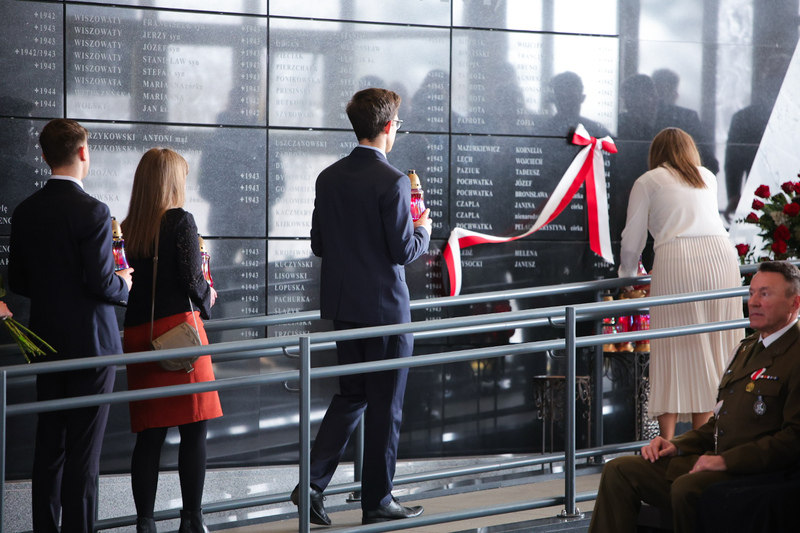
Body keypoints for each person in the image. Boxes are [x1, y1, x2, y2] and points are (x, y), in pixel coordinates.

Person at [292, 88, 432, 526]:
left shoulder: (328, 177)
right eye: (398, 124)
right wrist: (424, 229)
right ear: (388, 127)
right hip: (386, 312)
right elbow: (403, 251)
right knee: (386, 405)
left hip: (344, 308)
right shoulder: (393, 181)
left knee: (352, 395)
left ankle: (311, 485)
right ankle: (377, 500)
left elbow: (319, 245)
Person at [589, 260, 800, 533]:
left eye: (765, 294)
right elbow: (721, 422)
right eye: (751, 293)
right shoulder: (747, 348)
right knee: (618, 471)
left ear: (795, 303)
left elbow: (793, 439)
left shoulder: (795, 354)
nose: (753, 302)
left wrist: (725, 461)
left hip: (754, 471)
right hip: (715, 458)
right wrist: (676, 445)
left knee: (686, 488)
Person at [8, 118, 133, 533]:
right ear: (82, 152)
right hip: (92, 346)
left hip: (45, 342)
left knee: (50, 446)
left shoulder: (25, 211)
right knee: (84, 454)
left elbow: (19, 282)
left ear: (44, 156)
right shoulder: (94, 211)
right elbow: (102, 283)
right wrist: (124, 283)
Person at [618, 127, 743, 440]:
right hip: (722, 258)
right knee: (714, 347)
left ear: (656, 153)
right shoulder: (707, 177)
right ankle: (705, 439)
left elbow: (632, 240)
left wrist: (628, 279)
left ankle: (668, 441)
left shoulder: (648, 181)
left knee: (671, 346)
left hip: (677, 257)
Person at [121, 148, 222, 533]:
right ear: (171, 182)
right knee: (194, 429)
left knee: (149, 435)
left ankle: (145, 524)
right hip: (180, 336)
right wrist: (208, 298)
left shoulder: (127, 227)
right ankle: (192, 521)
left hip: (140, 336)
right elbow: (192, 280)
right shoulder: (180, 221)